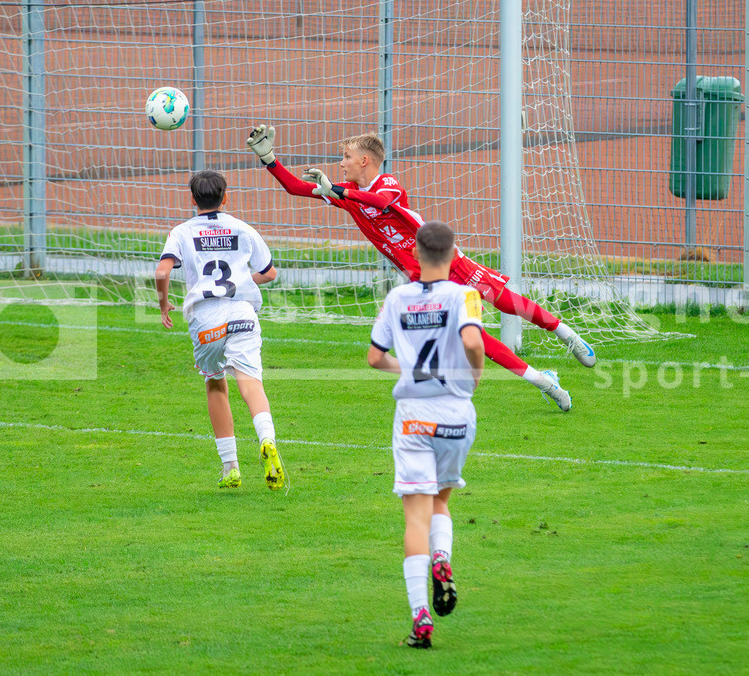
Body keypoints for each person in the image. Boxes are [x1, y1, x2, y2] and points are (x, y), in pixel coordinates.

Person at [247, 125, 594, 412]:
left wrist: (338, 191)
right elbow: (295, 187)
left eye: (347, 158)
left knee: (505, 301)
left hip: (447, 259)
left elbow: (381, 203)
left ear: (365, 161)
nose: (341, 164)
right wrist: (269, 158)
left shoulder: (387, 185)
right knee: (474, 335)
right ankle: (543, 380)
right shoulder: (347, 191)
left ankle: (568, 336)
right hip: (421, 276)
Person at [367, 221, 485, 649]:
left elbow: (374, 358)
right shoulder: (464, 295)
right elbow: (472, 340)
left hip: (413, 417)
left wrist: (411, 371)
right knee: (441, 500)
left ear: (415, 254)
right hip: (456, 415)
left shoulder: (396, 297)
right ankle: (442, 557)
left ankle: (421, 617)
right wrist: (475, 372)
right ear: (453, 256)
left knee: (415, 516)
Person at [155, 170, 285, 491]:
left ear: (192, 200)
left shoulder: (182, 232)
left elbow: (161, 271)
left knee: (215, 382)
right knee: (250, 383)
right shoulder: (242, 228)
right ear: (226, 197)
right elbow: (269, 274)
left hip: (205, 319)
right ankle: (267, 439)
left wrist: (163, 304)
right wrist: (242, 282)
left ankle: (230, 468)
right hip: (242, 312)